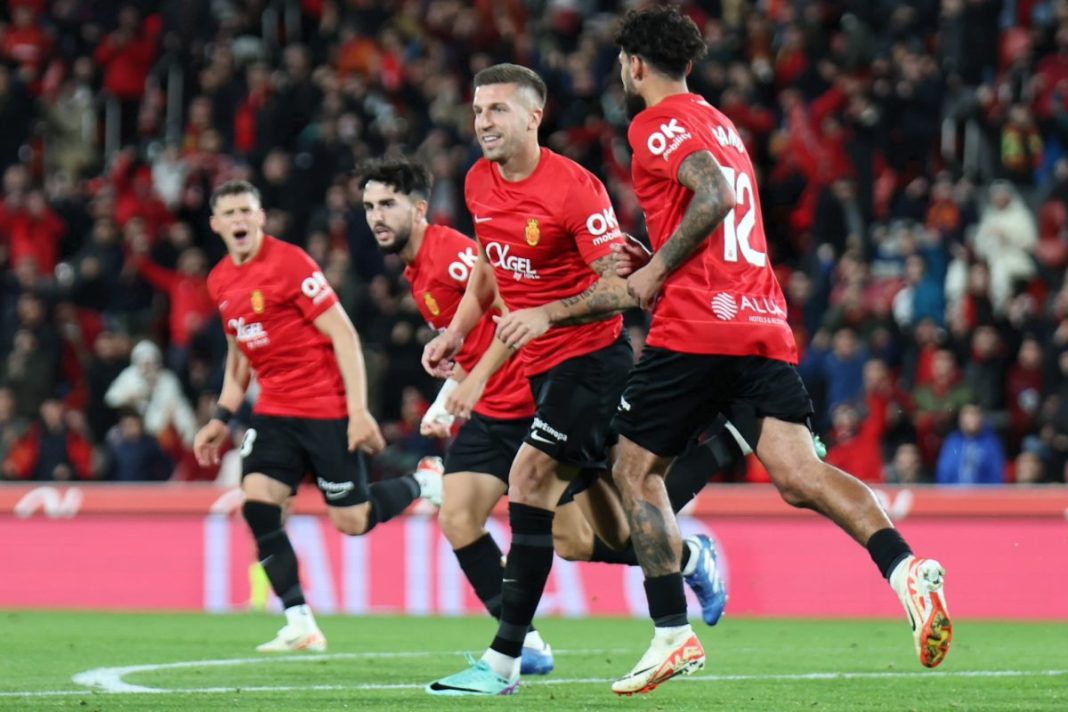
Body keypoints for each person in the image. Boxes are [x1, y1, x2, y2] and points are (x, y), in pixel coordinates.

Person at [602, 7, 951, 694]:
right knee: (799, 475)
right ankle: (905, 567)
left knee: (633, 468)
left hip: (699, 325)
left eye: (622, 62)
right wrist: (659, 256)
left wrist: (650, 273)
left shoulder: (653, 123)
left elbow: (713, 196)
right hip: (759, 316)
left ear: (636, 65)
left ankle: (672, 633)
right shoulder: (722, 123)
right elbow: (713, 207)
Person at [424, 64, 727, 696]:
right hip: (544, 371)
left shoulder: (574, 189)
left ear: (534, 116)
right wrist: (457, 329)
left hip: (589, 362)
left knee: (528, 480)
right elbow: (490, 263)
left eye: (498, 110)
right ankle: (696, 549)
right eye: (478, 110)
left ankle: (504, 663)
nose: (483, 122)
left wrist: (545, 315)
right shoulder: (479, 180)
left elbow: (619, 287)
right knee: (600, 535)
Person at [360, 157, 728, 677]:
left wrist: (473, 380)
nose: (376, 216)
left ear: (418, 209)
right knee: (460, 514)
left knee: (585, 538)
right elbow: (487, 303)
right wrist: (455, 369)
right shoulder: (423, 260)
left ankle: (689, 552)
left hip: (536, 395)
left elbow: (507, 301)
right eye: (369, 206)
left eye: (387, 204)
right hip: (494, 410)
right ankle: (523, 643)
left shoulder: (451, 254)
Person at [192, 180, 441, 653]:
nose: (240, 220)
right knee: (258, 503)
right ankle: (299, 621)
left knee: (352, 520)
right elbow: (239, 355)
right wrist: (221, 417)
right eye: (230, 214)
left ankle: (424, 483)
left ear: (261, 216)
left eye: (248, 210)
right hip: (274, 413)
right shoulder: (220, 280)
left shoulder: (290, 264)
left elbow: (345, 336)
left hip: (324, 408)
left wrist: (358, 412)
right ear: (216, 224)